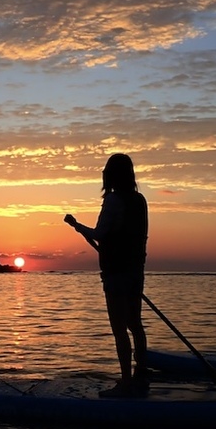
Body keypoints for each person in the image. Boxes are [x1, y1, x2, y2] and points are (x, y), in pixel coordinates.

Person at [64, 153, 149, 397]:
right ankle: (140, 372)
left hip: (116, 273)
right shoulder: (140, 200)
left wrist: (76, 225)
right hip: (136, 270)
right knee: (135, 324)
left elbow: (100, 234)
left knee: (119, 328)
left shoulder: (113, 200)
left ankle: (125, 383)